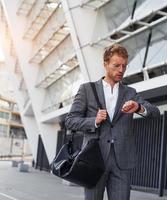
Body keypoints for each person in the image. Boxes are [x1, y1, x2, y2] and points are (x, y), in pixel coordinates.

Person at [65, 44, 160, 200]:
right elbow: (70, 121)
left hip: (122, 162)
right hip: (94, 160)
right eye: (116, 65)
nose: (121, 70)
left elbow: (154, 113)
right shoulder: (87, 90)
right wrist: (93, 121)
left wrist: (137, 107)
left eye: (124, 66)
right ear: (105, 64)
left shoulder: (130, 92)